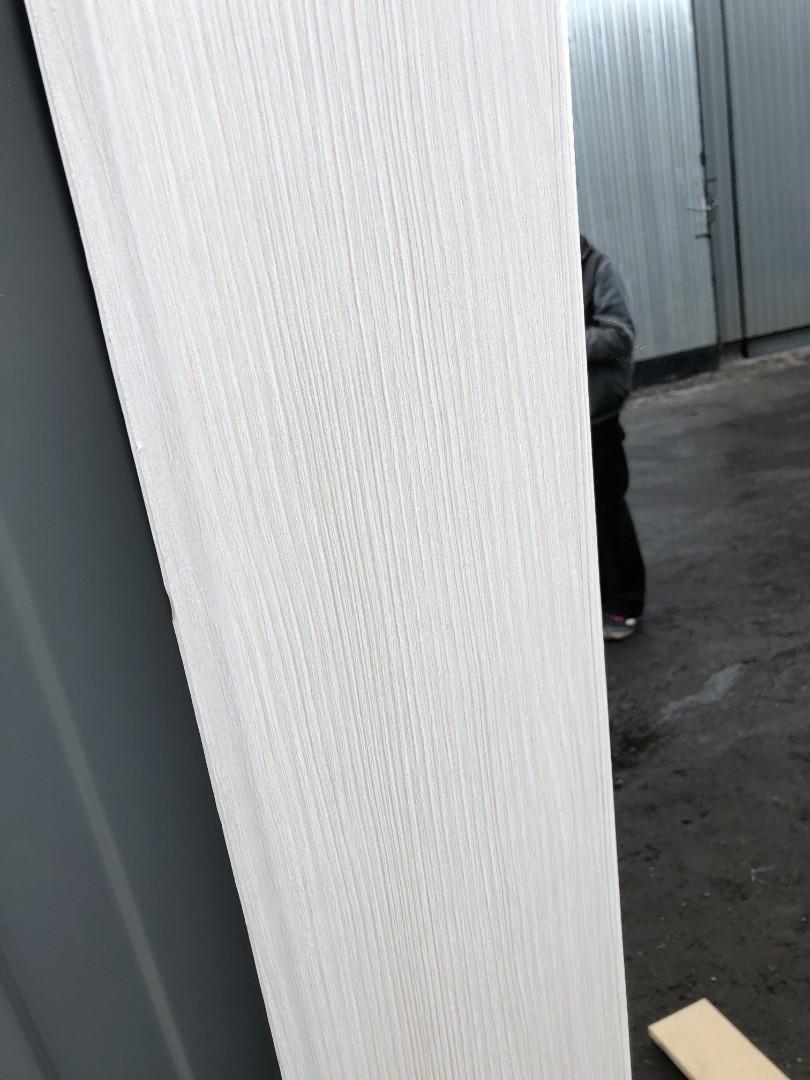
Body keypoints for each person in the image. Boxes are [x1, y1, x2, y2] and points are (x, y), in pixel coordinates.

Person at [581, 234, 645, 640]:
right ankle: (600, 600)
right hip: (570, 421)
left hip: (598, 417)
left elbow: (620, 335)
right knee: (584, 516)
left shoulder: (598, 269)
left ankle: (625, 606)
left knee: (608, 510)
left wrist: (558, 336)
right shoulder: (541, 270)